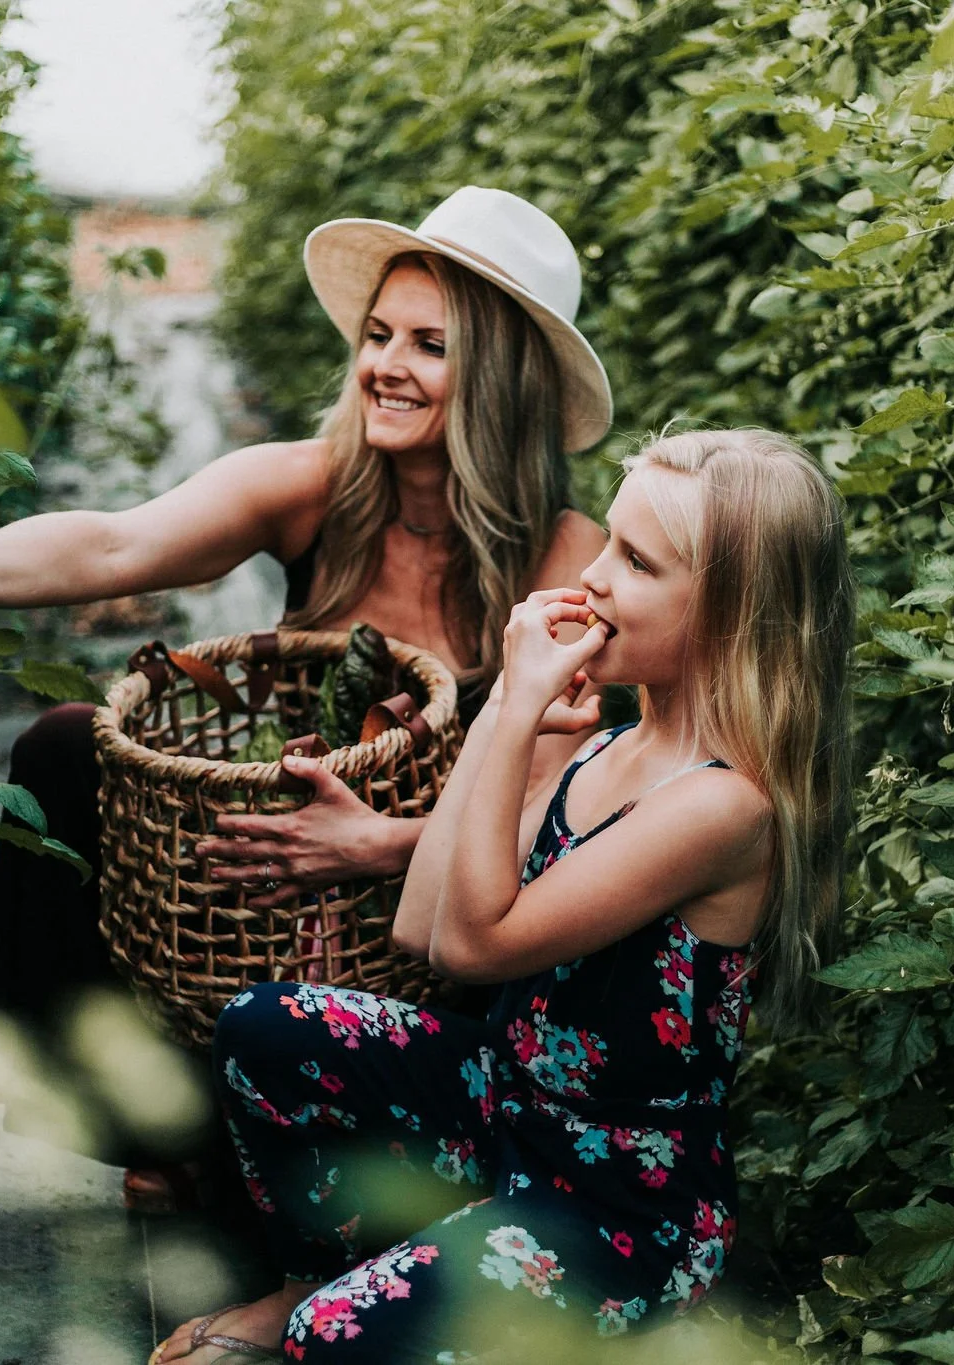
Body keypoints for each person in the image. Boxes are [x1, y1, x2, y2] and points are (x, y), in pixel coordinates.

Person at [0, 187, 615, 1206]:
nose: (384, 367)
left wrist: (387, 843)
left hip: (434, 915)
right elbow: (115, 541)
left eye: (429, 345)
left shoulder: (563, 557)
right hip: (273, 885)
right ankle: (164, 1121)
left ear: (497, 378)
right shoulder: (316, 487)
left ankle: (416, 1158)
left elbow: (577, 812)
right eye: (376, 336)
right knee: (65, 746)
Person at [155, 429, 857, 1361]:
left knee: (331, 1343)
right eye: (608, 542)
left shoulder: (726, 805)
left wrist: (523, 705)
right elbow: (423, 922)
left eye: (637, 562)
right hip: (509, 1107)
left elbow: (474, 947)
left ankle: (358, 1309)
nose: (595, 577)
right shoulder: (613, 745)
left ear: (732, 614)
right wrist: (503, 719)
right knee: (264, 1026)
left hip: (615, 1200)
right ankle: (305, 1282)